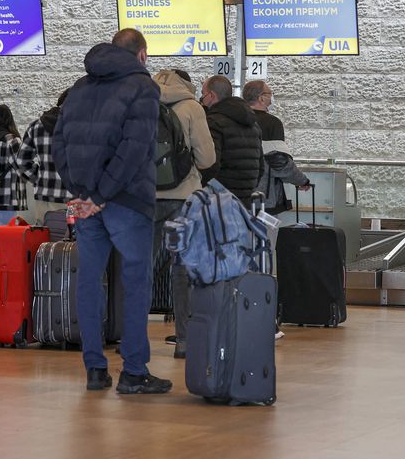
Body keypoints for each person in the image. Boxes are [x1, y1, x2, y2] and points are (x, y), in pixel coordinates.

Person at [53, 28, 172, 394]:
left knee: (89, 281)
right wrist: (103, 194)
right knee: (135, 283)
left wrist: (82, 192)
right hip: (126, 201)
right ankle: (134, 372)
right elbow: (135, 149)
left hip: (88, 203)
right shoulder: (143, 87)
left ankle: (94, 369)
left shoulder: (79, 88)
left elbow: (58, 141)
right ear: (142, 55)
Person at [152, 68, 216, 359]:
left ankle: (129, 338)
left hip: (146, 197)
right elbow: (206, 160)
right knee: (183, 268)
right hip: (182, 197)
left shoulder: (141, 102)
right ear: (187, 84)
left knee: (140, 268)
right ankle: (184, 340)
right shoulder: (192, 107)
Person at [242, 80, 310, 215]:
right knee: (265, 235)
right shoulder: (272, 123)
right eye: (270, 94)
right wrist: (301, 180)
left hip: (234, 197)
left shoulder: (235, 120)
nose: (272, 98)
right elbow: (278, 162)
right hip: (263, 198)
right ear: (261, 98)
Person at [199, 75, 263, 208]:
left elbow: (211, 163)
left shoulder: (213, 122)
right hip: (246, 198)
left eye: (203, 94)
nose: (201, 100)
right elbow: (261, 165)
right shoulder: (253, 124)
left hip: (220, 199)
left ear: (211, 95)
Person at [14, 90, 73, 225]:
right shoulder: (79, 126)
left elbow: (21, 162)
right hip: (72, 198)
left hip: (44, 197)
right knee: (70, 244)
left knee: (44, 241)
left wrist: (39, 178)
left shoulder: (36, 126)